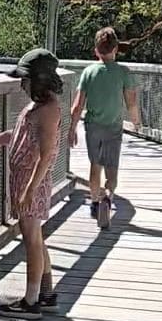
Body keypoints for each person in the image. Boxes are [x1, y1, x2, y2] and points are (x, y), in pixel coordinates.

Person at [0, 48, 63, 320]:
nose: (22, 84)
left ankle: (30, 302)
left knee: (31, 239)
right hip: (23, 180)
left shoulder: (49, 110)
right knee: (35, 236)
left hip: (33, 181)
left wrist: (29, 190)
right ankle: (46, 294)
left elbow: (45, 155)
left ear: (39, 80)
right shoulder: (37, 107)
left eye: (26, 79)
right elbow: (15, 134)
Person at [69, 27, 140, 222]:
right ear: (116, 49)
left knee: (95, 165)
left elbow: (77, 106)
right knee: (111, 169)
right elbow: (131, 102)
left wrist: (72, 128)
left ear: (96, 51)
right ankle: (108, 199)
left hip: (93, 126)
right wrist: (136, 121)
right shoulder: (123, 73)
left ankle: (94, 203)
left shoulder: (89, 72)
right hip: (114, 128)